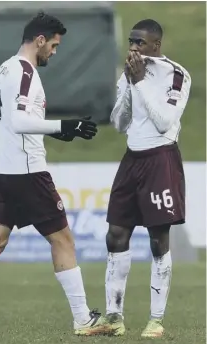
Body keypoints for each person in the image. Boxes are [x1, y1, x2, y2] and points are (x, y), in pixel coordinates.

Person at [0, 12, 105, 337]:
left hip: (2, 171)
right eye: (55, 45)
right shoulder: (24, 71)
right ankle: (83, 320)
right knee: (63, 240)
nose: (55, 53)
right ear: (40, 40)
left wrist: (55, 132)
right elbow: (18, 122)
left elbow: (16, 121)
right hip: (27, 172)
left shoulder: (5, 67)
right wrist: (64, 125)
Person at [100, 19, 191, 338]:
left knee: (157, 239)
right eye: (131, 42)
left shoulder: (176, 75)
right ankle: (114, 315)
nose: (134, 48)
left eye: (140, 43)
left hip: (160, 159)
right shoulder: (128, 71)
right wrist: (128, 84)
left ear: (156, 46)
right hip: (132, 158)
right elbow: (119, 123)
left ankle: (155, 319)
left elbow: (166, 122)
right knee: (115, 235)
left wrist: (139, 83)